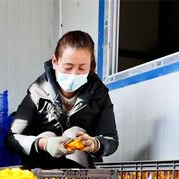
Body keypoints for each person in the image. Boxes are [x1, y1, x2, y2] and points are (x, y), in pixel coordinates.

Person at [6, 30, 118, 169]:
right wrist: (44, 143)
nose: (74, 74)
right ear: (55, 62)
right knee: (48, 134)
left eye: (82, 68)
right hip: (42, 166)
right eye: (68, 67)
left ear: (91, 66)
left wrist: (95, 144)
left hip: (81, 166)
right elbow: (12, 138)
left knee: (74, 134)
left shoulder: (99, 93)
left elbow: (111, 140)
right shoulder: (37, 92)